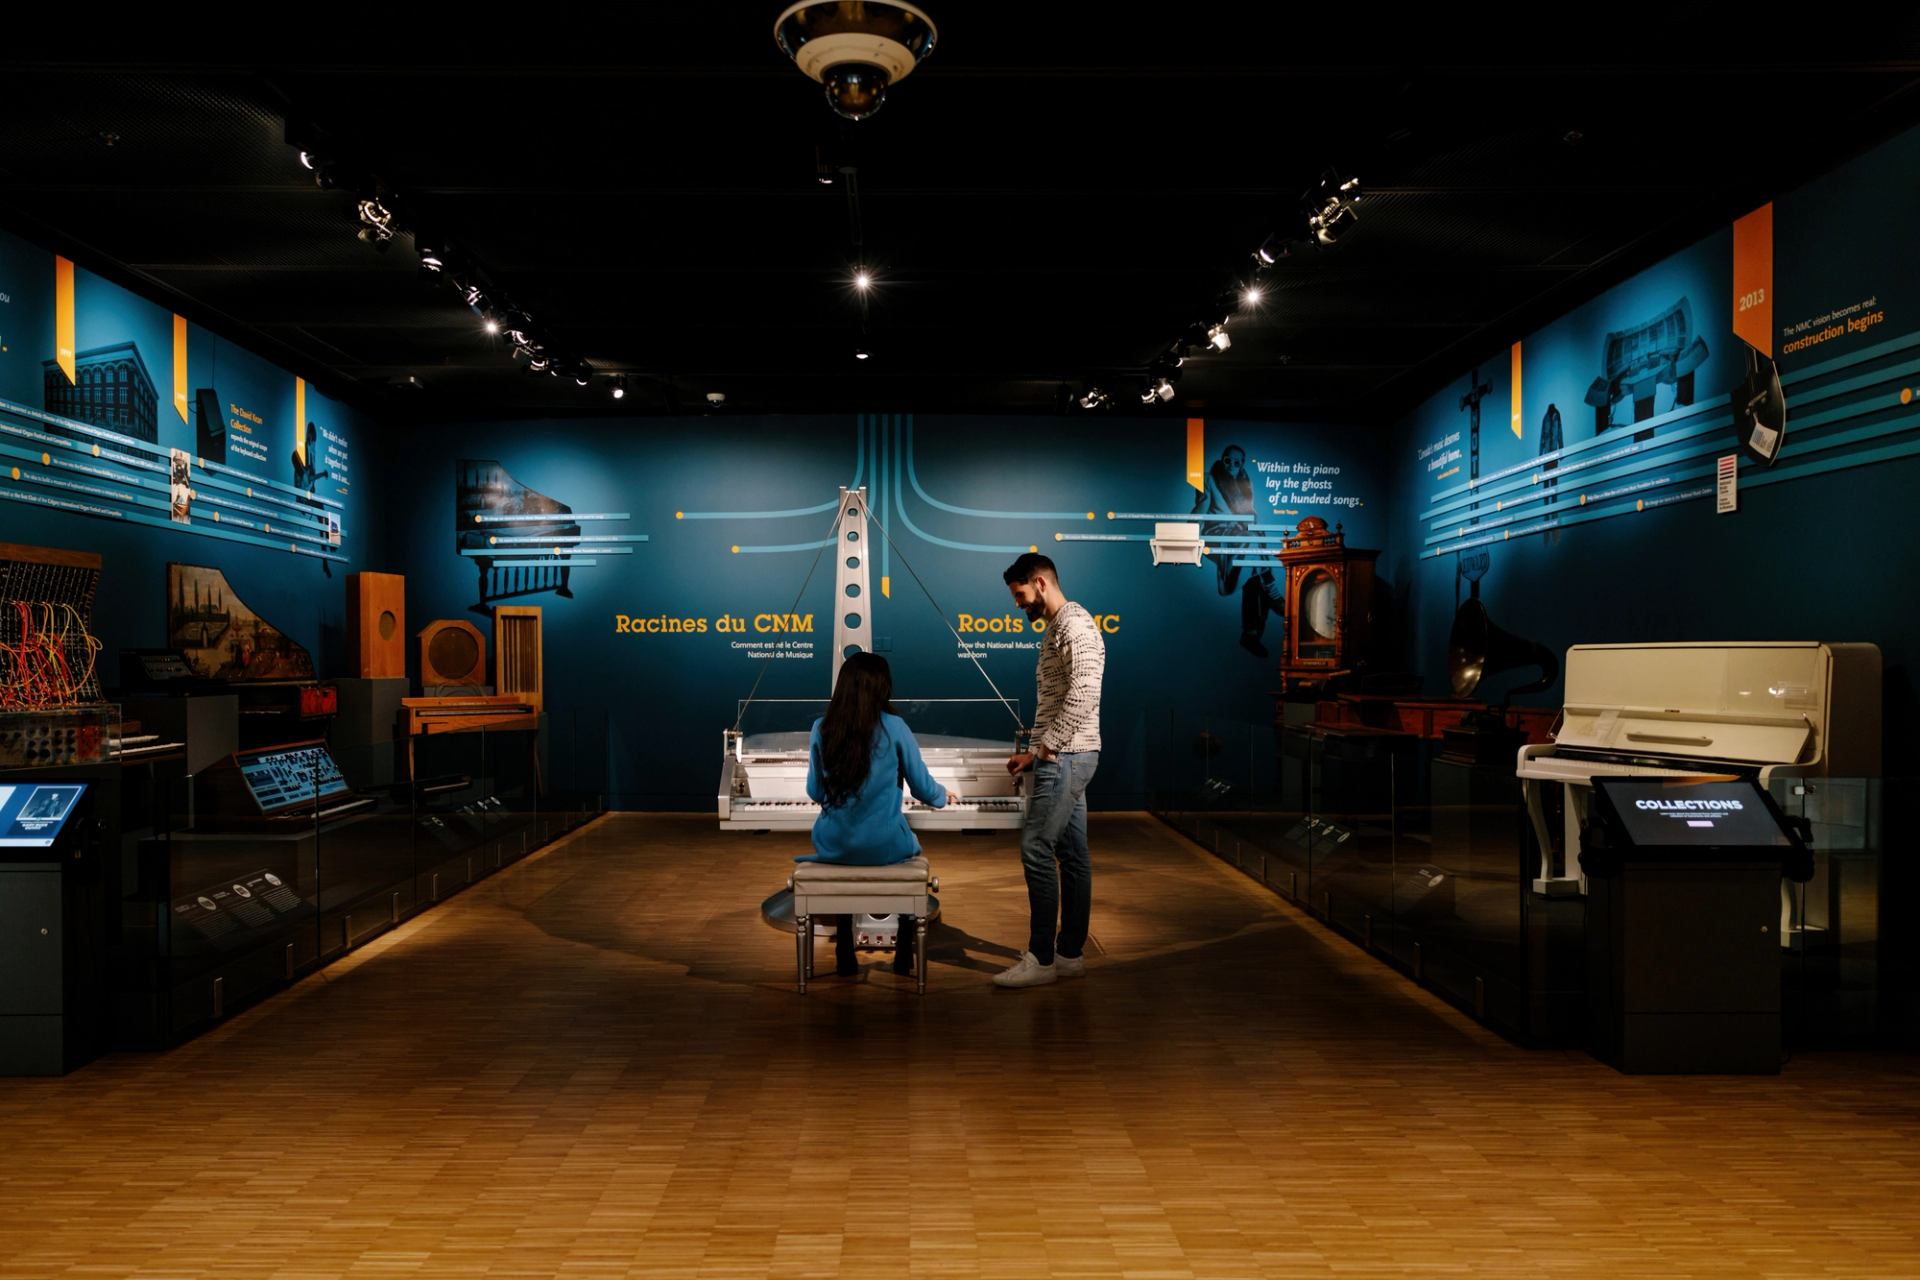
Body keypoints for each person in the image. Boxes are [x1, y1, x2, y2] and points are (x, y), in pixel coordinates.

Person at [801, 652, 950, 977]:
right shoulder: (896, 727)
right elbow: (924, 789)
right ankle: (903, 952)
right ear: (882, 688)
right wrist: (943, 797)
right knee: (909, 844)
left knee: (847, 859)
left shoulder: (821, 728)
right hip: (884, 844)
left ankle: (844, 948)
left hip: (833, 843)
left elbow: (815, 792)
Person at [996, 552, 1105, 989]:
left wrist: (1047, 749)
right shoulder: (1059, 627)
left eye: (1020, 595)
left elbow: (1084, 692)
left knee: (1036, 850)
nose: (1019, 605)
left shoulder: (1074, 623)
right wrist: (1033, 752)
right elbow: (1065, 698)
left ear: (1040, 583)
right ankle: (1069, 955)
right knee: (1073, 856)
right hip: (1067, 755)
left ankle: (1041, 959)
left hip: (1066, 758)